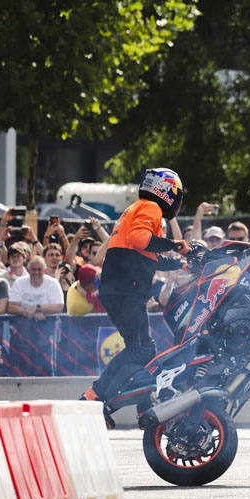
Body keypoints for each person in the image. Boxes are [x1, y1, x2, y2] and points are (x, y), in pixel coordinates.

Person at [82, 167, 189, 421]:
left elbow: (150, 256)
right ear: (165, 190)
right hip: (125, 290)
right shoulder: (151, 207)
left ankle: (143, 410)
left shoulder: (137, 208)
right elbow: (140, 238)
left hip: (119, 289)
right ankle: (94, 397)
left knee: (145, 350)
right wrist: (175, 245)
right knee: (142, 349)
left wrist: (183, 263)